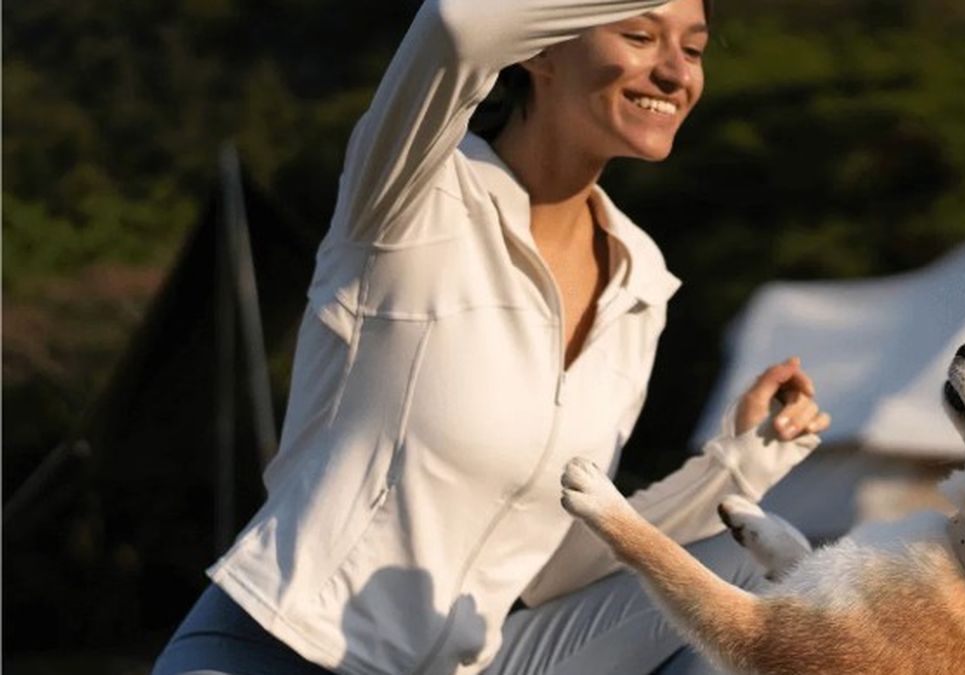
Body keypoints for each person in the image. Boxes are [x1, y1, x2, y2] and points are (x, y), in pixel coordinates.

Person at [153, 0, 830, 673]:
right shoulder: (411, 193)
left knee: (757, 567)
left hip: (473, 662)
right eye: (639, 35)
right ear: (541, 47)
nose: (676, 73)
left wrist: (738, 464)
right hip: (278, 649)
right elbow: (457, 26)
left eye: (694, 49)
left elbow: (550, 562)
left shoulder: (639, 279)